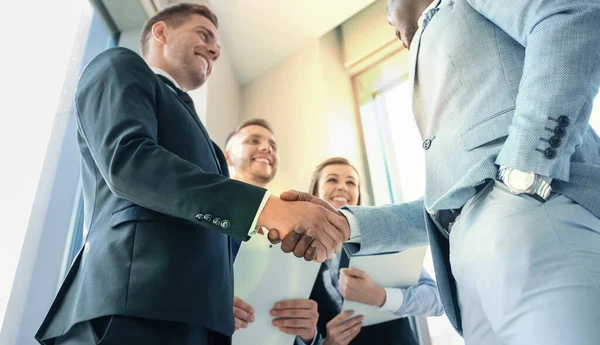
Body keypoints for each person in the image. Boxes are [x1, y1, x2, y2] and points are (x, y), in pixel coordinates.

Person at [275, 0, 600, 344]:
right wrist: (347, 224)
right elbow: (446, 201)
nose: (392, 27)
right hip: (467, 277)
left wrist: (525, 172)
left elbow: (568, 16)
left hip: (535, 213)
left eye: (388, 14)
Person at [34, 4, 347, 345]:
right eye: (204, 34)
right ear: (161, 31)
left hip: (199, 322)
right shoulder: (120, 65)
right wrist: (264, 208)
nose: (214, 48)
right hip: (133, 305)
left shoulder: (210, 148)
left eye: (217, 44)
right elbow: (130, 162)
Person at [306, 158, 442, 345]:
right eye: (332, 180)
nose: (342, 187)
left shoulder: (384, 239)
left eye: (351, 183)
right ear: (315, 192)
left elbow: (436, 299)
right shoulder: (298, 259)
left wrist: (381, 297)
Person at [222, 118, 320, 345]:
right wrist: (207, 308)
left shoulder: (292, 235)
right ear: (227, 155)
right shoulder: (202, 218)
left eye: (273, 146)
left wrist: (308, 335)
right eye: (253, 141)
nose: (266, 148)